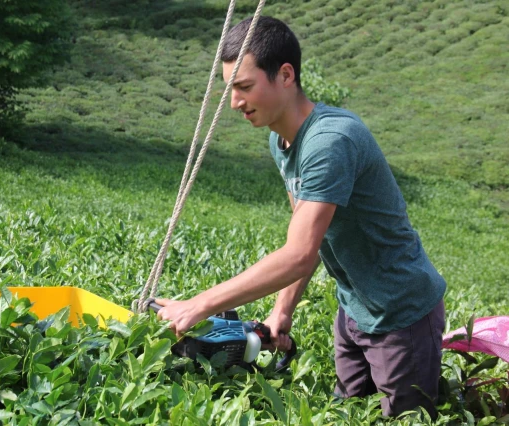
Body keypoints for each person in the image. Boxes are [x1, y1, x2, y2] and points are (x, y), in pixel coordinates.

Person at [155, 16, 446, 418]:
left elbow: (298, 254)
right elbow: (312, 236)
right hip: (354, 310)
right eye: (230, 90)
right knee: (346, 412)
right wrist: (282, 312)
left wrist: (199, 305)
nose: (235, 102)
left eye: (244, 87)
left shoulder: (330, 142)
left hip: (401, 317)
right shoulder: (282, 140)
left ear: (285, 75)